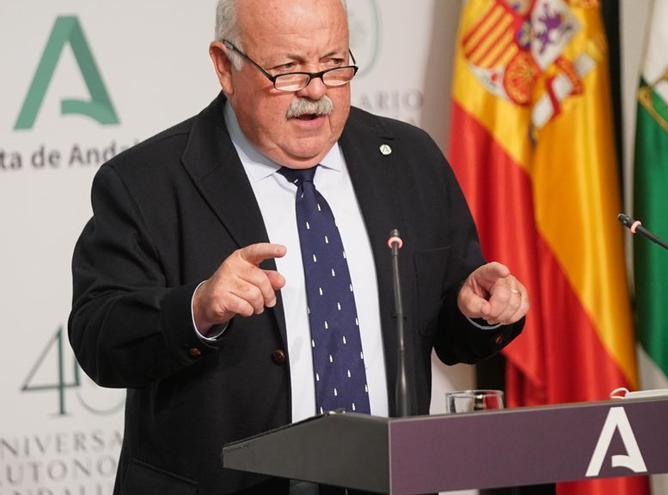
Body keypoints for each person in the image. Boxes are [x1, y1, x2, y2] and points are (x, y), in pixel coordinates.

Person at [68, 0, 529, 493]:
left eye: (334, 64)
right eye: (288, 70)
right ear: (226, 66)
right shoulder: (149, 180)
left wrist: (478, 310)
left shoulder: (406, 158)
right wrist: (196, 309)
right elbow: (101, 339)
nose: (316, 92)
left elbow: (451, 329)